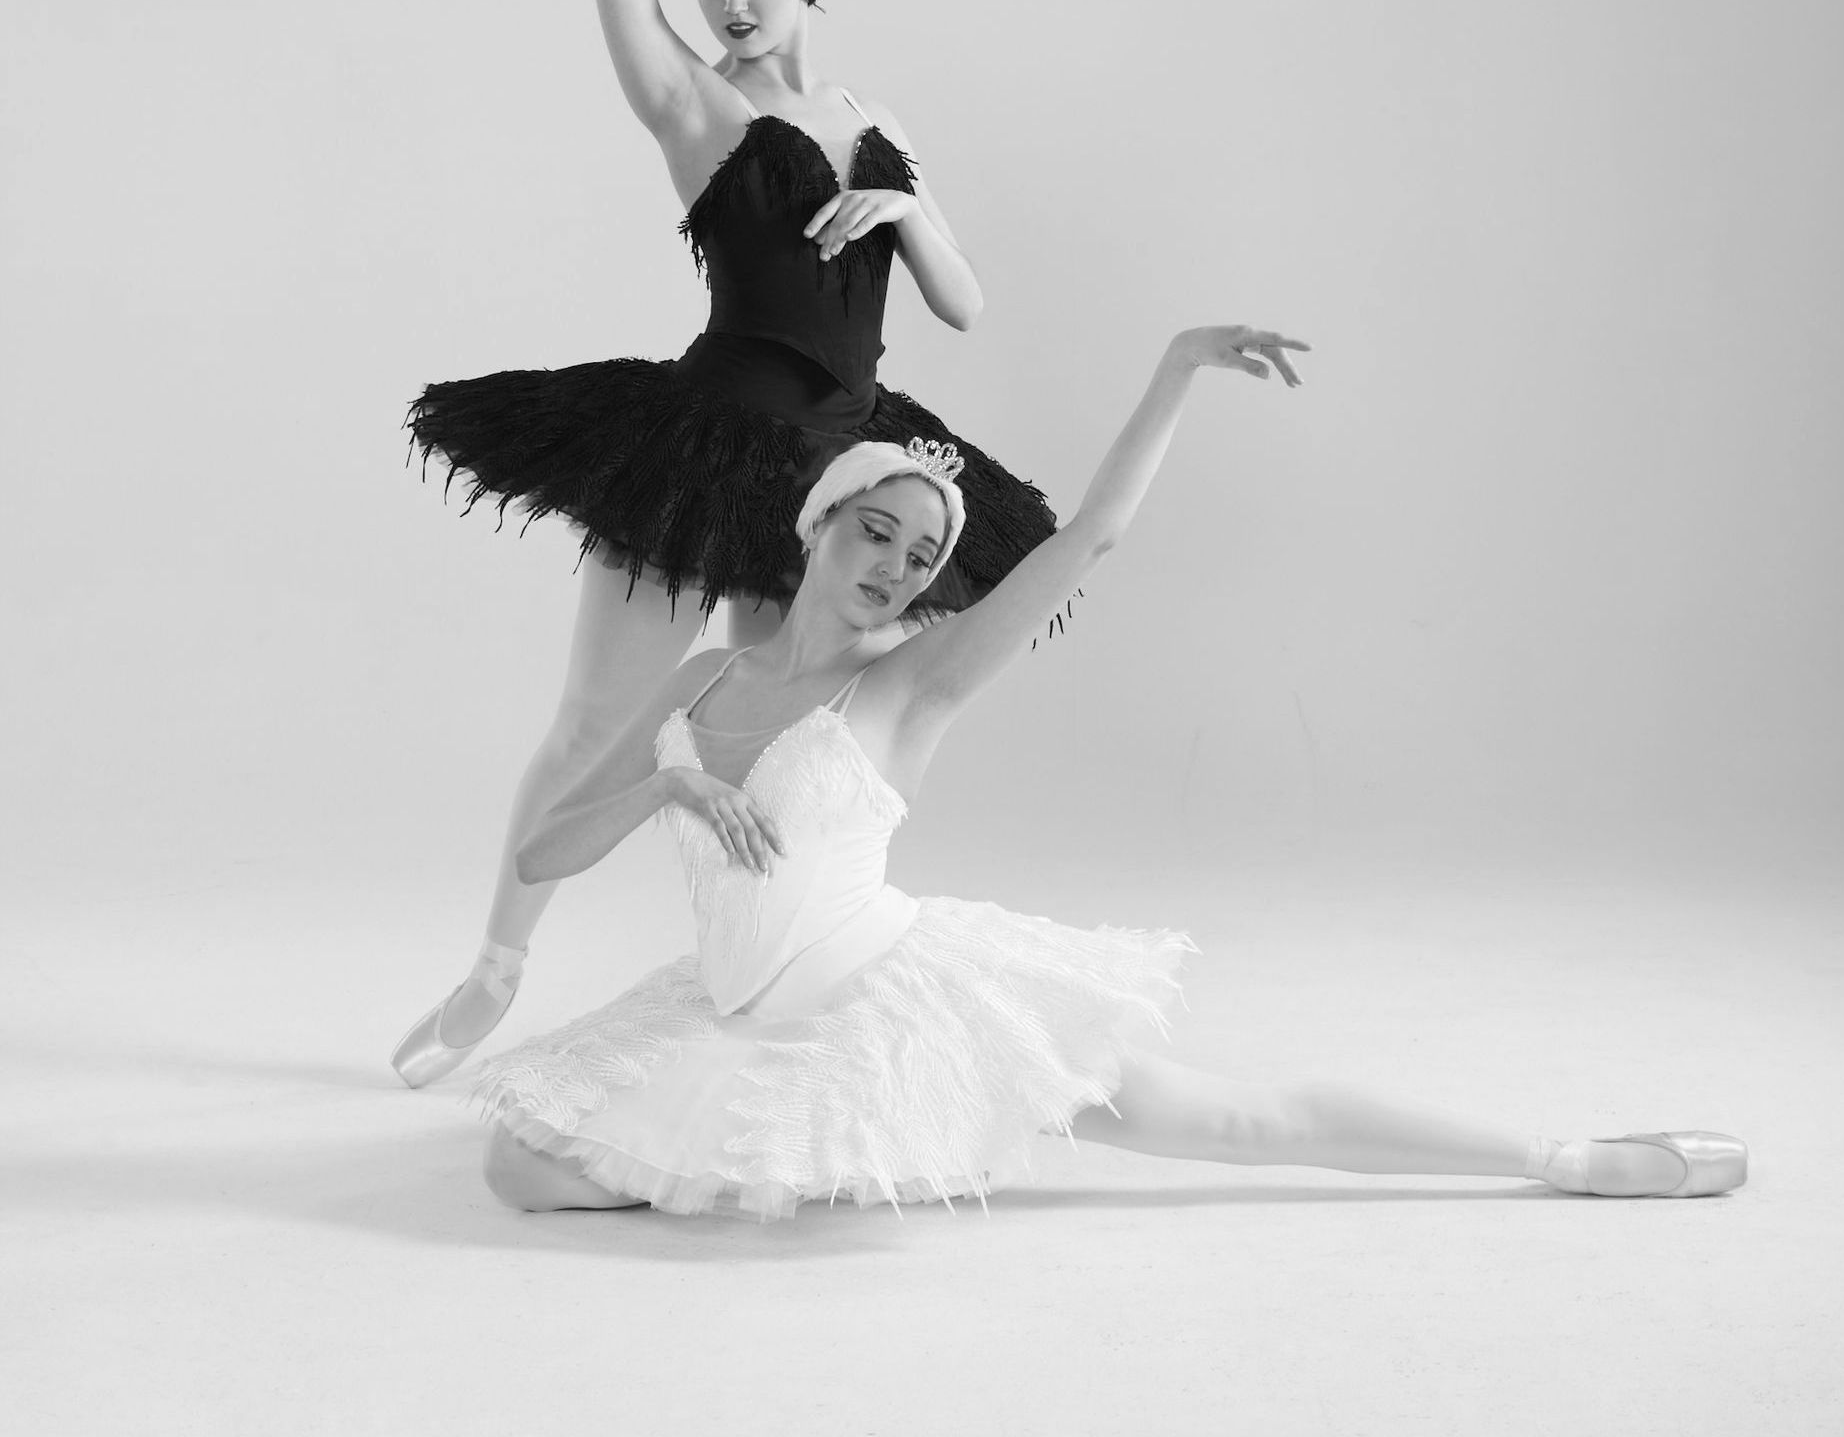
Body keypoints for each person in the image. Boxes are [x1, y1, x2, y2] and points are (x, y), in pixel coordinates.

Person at [473, 325, 1748, 1216]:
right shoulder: (700, 687)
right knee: (522, 1170)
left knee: (1224, 1121)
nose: (896, 569)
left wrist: (1177, 367)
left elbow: (1093, 535)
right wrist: (669, 783)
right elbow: (543, 852)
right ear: (818, 523)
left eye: (921, 559)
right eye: (877, 533)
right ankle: (805, 1149)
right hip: (739, 1010)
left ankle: (1570, 1155)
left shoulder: (910, 685)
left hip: (891, 996)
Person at [392, 0, 1057, 1089]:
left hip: (836, 470)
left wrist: (907, 208)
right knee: (597, 724)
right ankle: (499, 962)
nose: (732, 2)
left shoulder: (880, 124)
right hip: (702, 448)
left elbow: (963, 301)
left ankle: (784, 976)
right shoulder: (691, 109)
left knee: (789, 749)